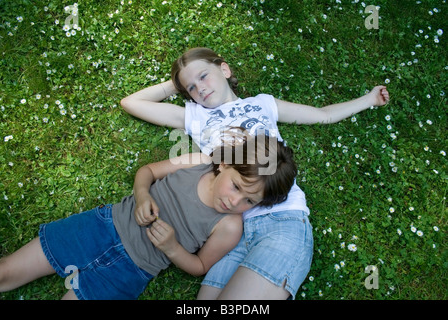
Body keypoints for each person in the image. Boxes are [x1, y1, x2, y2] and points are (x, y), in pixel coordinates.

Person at [120, 47, 390, 299]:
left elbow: (322, 115)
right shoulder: (195, 116)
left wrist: (368, 100)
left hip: (282, 221)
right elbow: (131, 102)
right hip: (228, 229)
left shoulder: (263, 104)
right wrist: (177, 81)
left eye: (203, 76)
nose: (200, 88)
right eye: (191, 87)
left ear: (224, 69)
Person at [0, 134, 296, 300]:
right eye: (237, 187)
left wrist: (172, 248)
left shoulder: (230, 226)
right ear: (225, 164)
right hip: (101, 227)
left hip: (129, 271)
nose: (234, 201)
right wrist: (143, 196)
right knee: (5, 272)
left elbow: (201, 265)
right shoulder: (199, 163)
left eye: (249, 201)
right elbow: (148, 172)